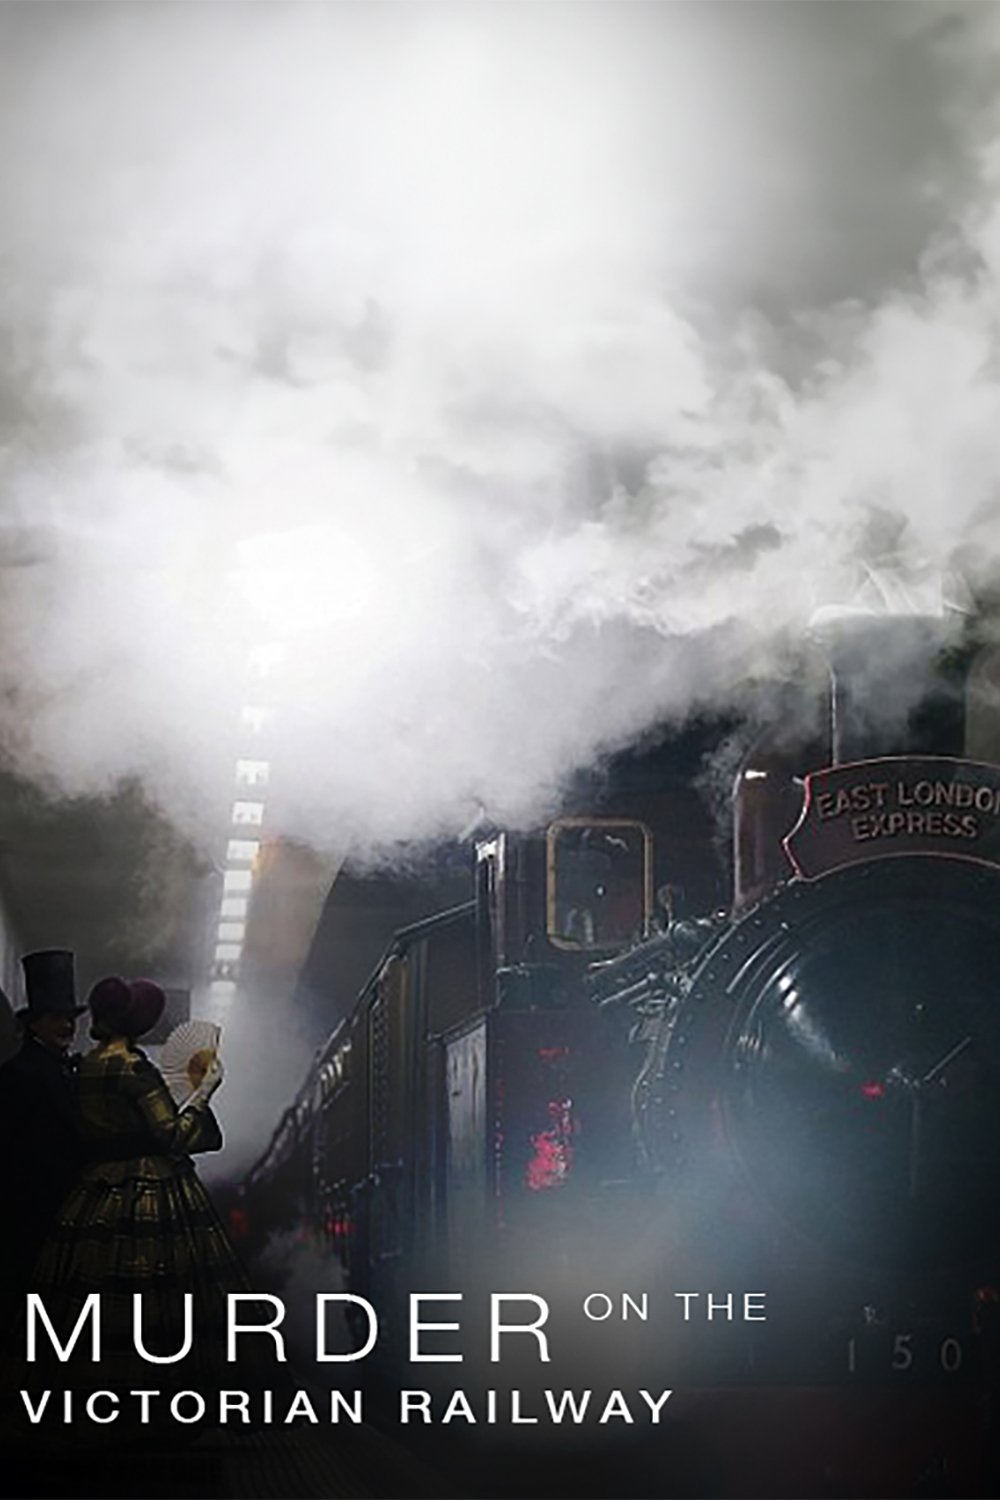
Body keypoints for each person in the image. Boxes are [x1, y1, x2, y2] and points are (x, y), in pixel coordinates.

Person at [30, 974, 246, 1393]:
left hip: (93, 1191)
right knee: (166, 1294)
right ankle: (160, 1399)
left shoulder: (84, 1065)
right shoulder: (132, 1067)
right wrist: (205, 1091)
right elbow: (173, 1135)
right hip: (152, 1187)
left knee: (87, 1300)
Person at [0, 950, 85, 1343]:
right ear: (34, 1023)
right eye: (56, 1017)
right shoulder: (18, 1075)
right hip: (29, 1211)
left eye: (70, 1017)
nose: (67, 1024)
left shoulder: (65, 1070)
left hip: (60, 1208)